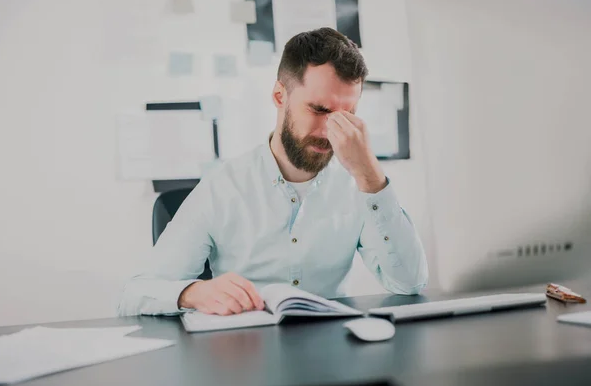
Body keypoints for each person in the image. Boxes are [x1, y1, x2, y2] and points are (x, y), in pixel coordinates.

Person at [118, 27, 428, 317]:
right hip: (245, 355)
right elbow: (134, 296)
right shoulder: (223, 186)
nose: (330, 130)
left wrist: (370, 176)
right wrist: (192, 293)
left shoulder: (359, 184)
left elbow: (409, 283)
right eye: (319, 110)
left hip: (332, 350)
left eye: (347, 115)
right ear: (280, 96)